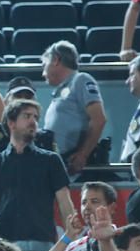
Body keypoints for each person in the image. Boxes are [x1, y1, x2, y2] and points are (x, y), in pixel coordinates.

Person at [0, 98, 75, 251]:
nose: (33, 122)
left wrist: (73, 245)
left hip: (41, 244)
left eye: (36, 117)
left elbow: (66, 204)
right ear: (11, 123)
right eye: (27, 116)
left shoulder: (51, 160)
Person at [0, 76, 56, 178]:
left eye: (28, 97)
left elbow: (56, 172)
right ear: (6, 102)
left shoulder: (45, 138)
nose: (23, 100)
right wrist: (0, 182)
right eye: (18, 96)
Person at [42, 41, 108, 175]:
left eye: (44, 65)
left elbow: (99, 119)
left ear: (55, 60)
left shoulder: (81, 79)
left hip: (73, 163)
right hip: (58, 163)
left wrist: (83, 154)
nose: (43, 73)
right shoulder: (61, 90)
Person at [57, 181, 119, 251]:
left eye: (94, 201)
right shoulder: (72, 249)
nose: (87, 207)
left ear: (112, 208)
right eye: (84, 202)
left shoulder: (125, 243)